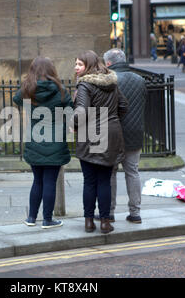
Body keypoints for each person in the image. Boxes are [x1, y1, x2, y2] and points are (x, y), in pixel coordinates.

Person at [13, 57, 73, 229]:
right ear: (52, 70)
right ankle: (47, 220)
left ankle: (31, 218)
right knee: (49, 182)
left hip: (35, 140)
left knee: (37, 180)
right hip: (55, 142)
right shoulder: (60, 90)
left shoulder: (27, 89)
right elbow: (70, 112)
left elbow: (16, 100)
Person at [73, 50, 128, 234]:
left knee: (89, 181)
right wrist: (112, 120)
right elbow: (124, 106)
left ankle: (89, 222)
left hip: (89, 135)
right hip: (111, 134)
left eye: (79, 64)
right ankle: (105, 222)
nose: (75, 67)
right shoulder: (112, 83)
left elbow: (81, 112)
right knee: (104, 181)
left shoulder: (85, 85)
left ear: (88, 65)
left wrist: (72, 125)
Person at [102, 48, 147, 224]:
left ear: (108, 63)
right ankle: (135, 213)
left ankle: (109, 212)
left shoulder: (109, 80)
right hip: (135, 132)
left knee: (110, 173)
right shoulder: (140, 79)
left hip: (113, 134)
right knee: (133, 172)